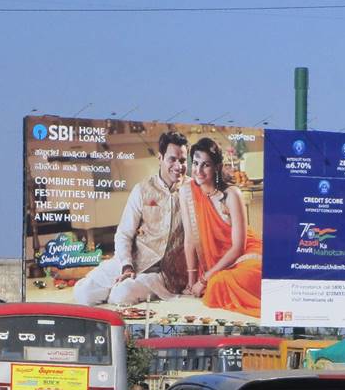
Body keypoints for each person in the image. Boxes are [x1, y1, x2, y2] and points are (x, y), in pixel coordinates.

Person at [73, 131, 190, 307]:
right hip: (136, 259)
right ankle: (119, 281)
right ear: (160, 158)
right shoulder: (142, 190)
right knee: (83, 294)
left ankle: (123, 288)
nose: (178, 166)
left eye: (182, 161)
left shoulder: (192, 192)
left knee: (121, 296)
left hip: (165, 272)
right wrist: (126, 266)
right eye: (172, 159)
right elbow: (124, 234)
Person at [182, 137, 262, 315]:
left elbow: (238, 248)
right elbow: (189, 240)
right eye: (195, 163)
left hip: (245, 257)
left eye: (206, 165)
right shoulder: (187, 191)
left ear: (217, 167)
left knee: (219, 283)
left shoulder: (231, 194)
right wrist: (191, 281)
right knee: (218, 283)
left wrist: (203, 280)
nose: (198, 171)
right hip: (214, 264)